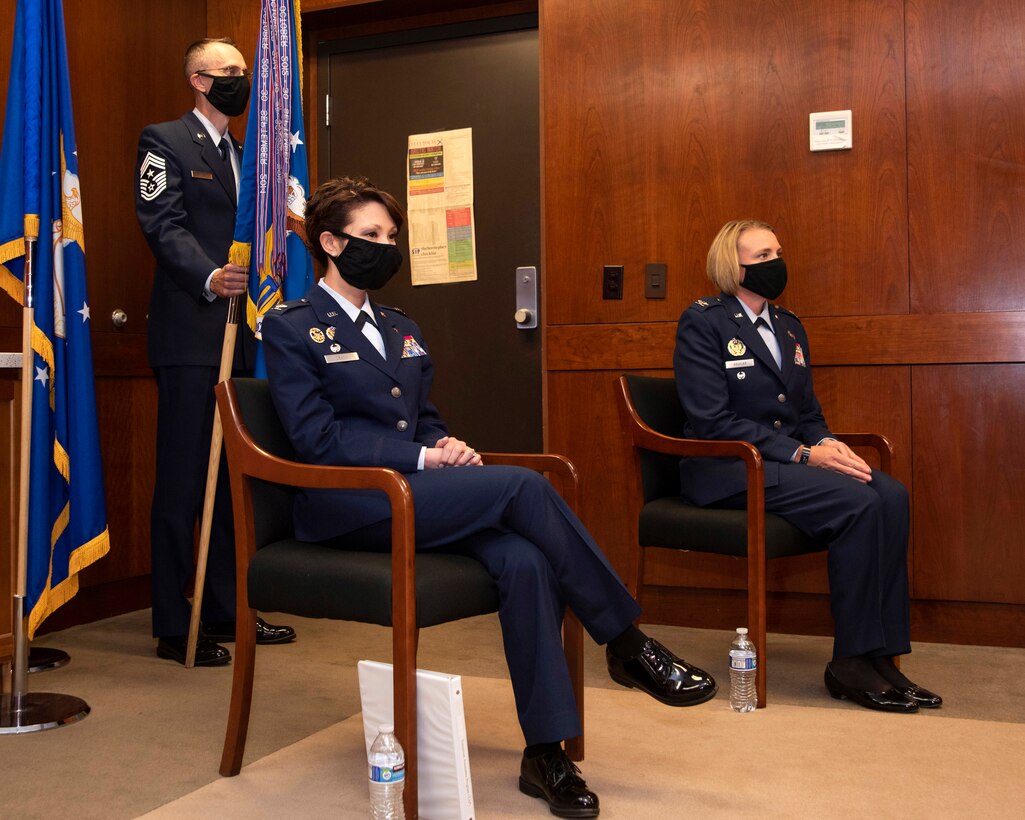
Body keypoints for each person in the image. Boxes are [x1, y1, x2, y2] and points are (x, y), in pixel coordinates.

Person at [262, 176, 718, 818]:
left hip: (414, 493)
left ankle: (546, 752)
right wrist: (424, 456)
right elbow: (315, 438)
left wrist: (446, 444)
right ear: (330, 242)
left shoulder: (400, 326)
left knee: (523, 561)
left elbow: (422, 419)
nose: (386, 247)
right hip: (350, 504)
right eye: (370, 236)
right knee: (523, 484)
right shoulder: (291, 327)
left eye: (392, 237)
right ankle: (624, 642)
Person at [673, 219, 942, 713]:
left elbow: (807, 414)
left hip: (785, 464)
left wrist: (829, 444)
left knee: (891, 494)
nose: (777, 262)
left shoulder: (788, 325)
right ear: (733, 268)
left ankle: (881, 656)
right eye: (763, 256)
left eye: (779, 250)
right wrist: (802, 453)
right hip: (730, 469)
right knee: (858, 502)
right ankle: (850, 664)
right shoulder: (704, 322)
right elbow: (711, 420)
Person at [135, 37, 294, 666]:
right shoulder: (163, 141)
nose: (241, 79)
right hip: (191, 336)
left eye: (244, 71)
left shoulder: (249, 154)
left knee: (235, 479)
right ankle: (176, 622)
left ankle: (227, 607)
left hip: (246, 336)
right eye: (229, 71)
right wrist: (207, 276)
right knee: (182, 480)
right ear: (199, 80)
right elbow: (161, 224)